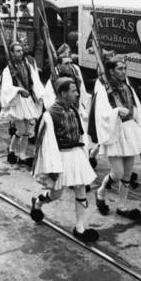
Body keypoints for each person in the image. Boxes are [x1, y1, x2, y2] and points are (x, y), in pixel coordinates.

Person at [30, 77, 98, 243]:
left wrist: (84, 154)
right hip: (59, 157)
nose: (77, 93)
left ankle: (81, 227)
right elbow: (47, 144)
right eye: (73, 91)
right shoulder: (49, 115)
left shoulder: (73, 110)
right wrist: (53, 168)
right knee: (56, 194)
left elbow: (81, 133)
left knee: (81, 190)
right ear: (62, 93)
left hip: (75, 154)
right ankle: (38, 202)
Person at [92, 56, 141, 220]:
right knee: (117, 173)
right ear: (111, 71)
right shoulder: (103, 88)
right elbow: (100, 112)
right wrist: (116, 111)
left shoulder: (127, 87)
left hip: (130, 131)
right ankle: (101, 192)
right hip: (114, 132)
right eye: (120, 69)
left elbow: (137, 109)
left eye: (125, 68)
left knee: (127, 173)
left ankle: (122, 205)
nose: (123, 72)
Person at [0, 42, 44, 166]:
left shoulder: (27, 65)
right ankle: (11, 150)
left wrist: (39, 94)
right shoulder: (8, 69)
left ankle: (23, 154)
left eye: (21, 50)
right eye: (17, 51)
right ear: (12, 53)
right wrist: (19, 90)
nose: (21, 52)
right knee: (21, 129)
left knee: (27, 131)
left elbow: (35, 80)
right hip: (17, 101)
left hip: (28, 100)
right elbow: (6, 87)